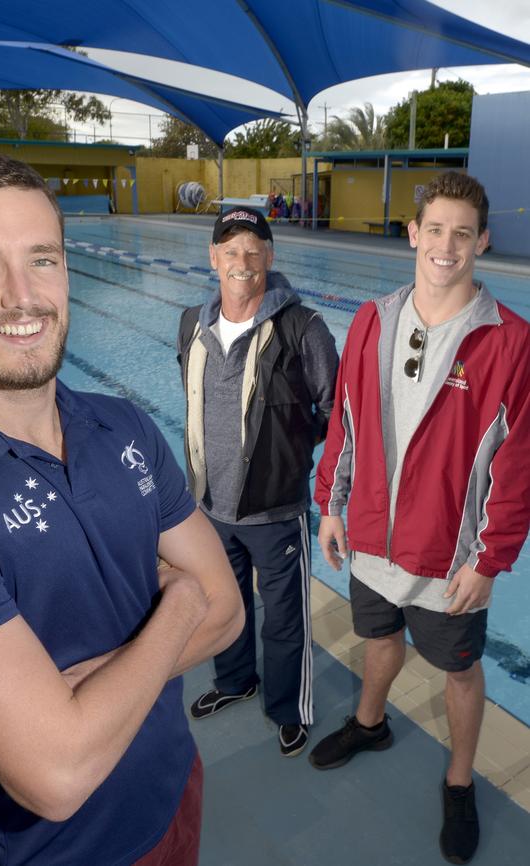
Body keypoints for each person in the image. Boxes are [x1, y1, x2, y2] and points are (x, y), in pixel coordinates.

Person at [0, 148, 245, 866]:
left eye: (42, 259)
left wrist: (80, 701)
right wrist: (176, 609)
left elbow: (229, 611)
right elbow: (58, 774)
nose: (24, 296)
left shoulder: (125, 426)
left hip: (176, 792)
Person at [310, 171, 530, 865]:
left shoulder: (509, 342)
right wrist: (330, 504)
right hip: (371, 535)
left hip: (447, 556)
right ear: (412, 234)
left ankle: (459, 780)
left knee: (459, 672)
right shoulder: (374, 319)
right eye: (434, 229)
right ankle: (371, 724)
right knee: (378, 639)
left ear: (481, 242)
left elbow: (517, 463)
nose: (446, 245)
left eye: (462, 233)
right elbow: (344, 421)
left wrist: (489, 559)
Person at [177, 207, 339, 757]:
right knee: (225, 604)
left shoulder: (304, 327)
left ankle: (289, 707)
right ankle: (235, 680)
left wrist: (294, 447)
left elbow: (337, 410)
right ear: (213, 258)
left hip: (275, 512)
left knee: (285, 618)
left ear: (270, 257)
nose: (241, 263)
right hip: (212, 506)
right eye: (230, 251)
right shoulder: (190, 326)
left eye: (253, 251)